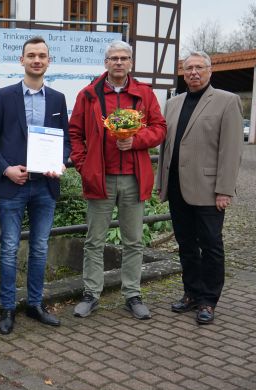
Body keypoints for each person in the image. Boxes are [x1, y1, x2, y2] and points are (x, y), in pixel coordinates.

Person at [69, 40, 167, 320]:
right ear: (106, 63)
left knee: (134, 241)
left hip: (134, 178)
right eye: (114, 58)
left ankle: (132, 294)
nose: (119, 63)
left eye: (124, 58)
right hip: (101, 177)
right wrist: (82, 164)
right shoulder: (88, 95)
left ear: (131, 63)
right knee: (94, 240)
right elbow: (74, 133)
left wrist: (137, 141)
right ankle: (91, 294)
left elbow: (160, 129)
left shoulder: (145, 94)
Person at [0, 36, 70, 335]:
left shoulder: (57, 99)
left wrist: (61, 163)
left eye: (42, 55)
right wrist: (6, 169)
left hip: (45, 186)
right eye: (31, 55)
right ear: (21, 60)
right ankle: (7, 308)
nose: (36, 60)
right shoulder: (4, 97)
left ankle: (34, 304)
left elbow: (65, 142)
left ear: (48, 61)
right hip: (13, 187)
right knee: (8, 249)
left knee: (41, 248)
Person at [156, 50, 243, 325]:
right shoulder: (173, 103)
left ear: (209, 71)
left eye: (199, 68)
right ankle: (191, 293)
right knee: (186, 245)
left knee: (211, 245)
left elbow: (231, 150)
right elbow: (166, 147)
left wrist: (224, 189)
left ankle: (208, 300)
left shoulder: (227, 102)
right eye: (188, 68)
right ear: (183, 73)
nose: (193, 72)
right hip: (177, 187)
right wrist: (161, 185)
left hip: (208, 189)